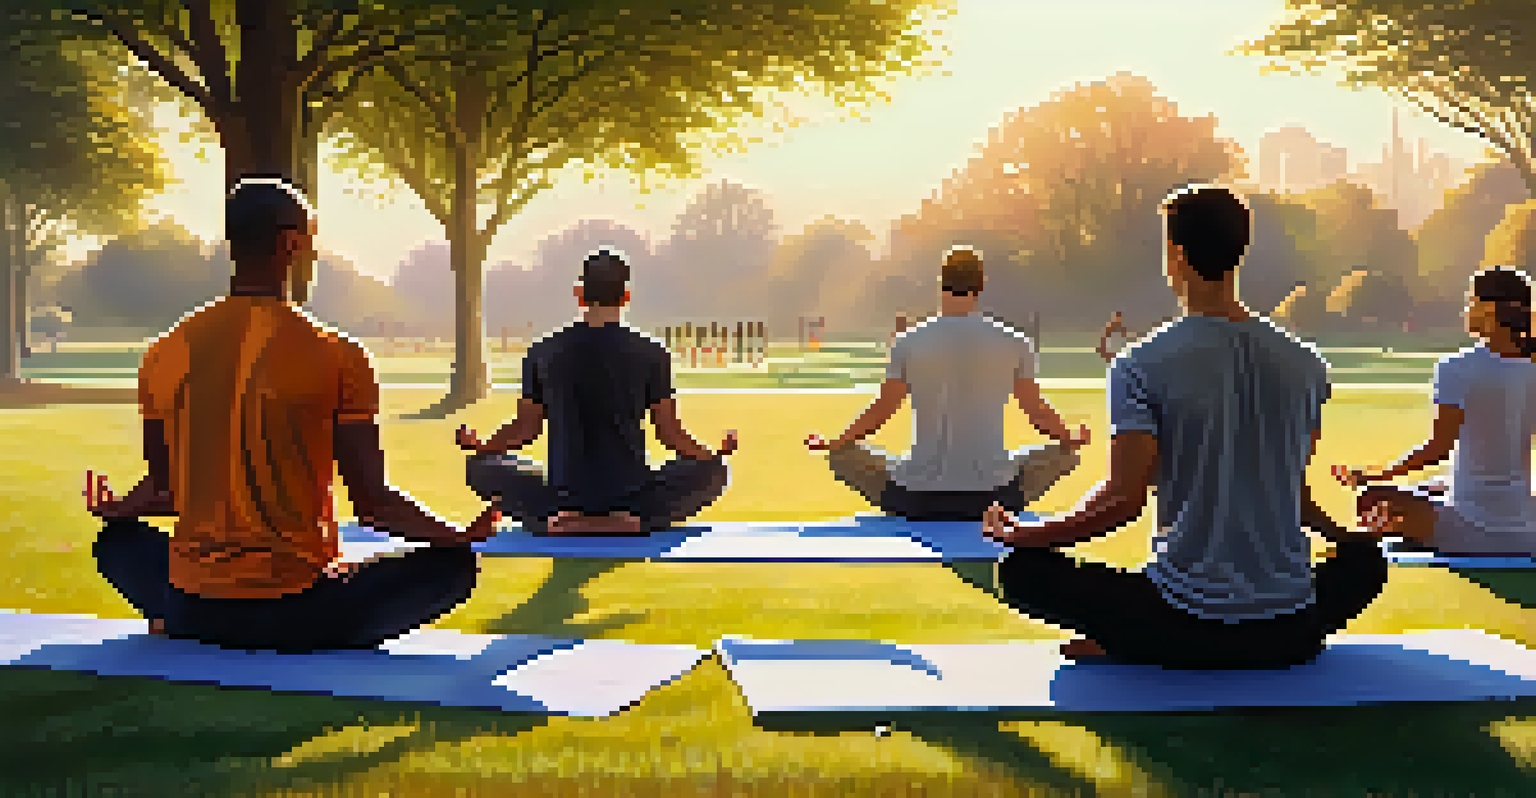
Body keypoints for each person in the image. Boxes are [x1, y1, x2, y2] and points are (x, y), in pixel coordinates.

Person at [981, 184, 1388, 670]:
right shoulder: (1307, 365)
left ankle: (1133, 638)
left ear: (1174, 253)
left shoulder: (1138, 365)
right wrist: (1349, 537)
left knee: (1022, 572)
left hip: (1183, 621)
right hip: (1291, 628)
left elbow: (1123, 500)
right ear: (1241, 251)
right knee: (1367, 564)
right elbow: (1292, 490)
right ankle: (1164, 637)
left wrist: (1032, 536)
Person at [86, 177, 501, 653]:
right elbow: (374, 504)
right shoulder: (338, 354)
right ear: (291, 244)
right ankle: (296, 625)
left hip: (191, 603)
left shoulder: (164, 352)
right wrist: (455, 534)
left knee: (116, 543)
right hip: (297, 610)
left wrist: (119, 509)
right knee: (454, 567)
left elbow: (166, 490)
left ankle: (185, 621)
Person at [460, 249, 733, 536]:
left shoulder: (543, 351)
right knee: (716, 472)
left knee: (480, 468)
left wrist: (482, 448)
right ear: (625, 297)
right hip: (631, 496)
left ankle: (557, 520)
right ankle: (630, 521)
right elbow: (671, 435)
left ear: (579, 294)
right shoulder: (652, 352)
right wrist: (712, 454)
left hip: (563, 497)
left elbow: (524, 429)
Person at [805, 246, 1089, 522]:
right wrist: (1069, 437)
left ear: (940, 283)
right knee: (1067, 455)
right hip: (995, 499)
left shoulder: (908, 341)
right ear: (980, 285)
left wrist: (837, 442)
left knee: (841, 456)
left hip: (916, 499)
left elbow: (882, 412)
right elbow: (1036, 413)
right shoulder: (1015, 342)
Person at [1334, 266, 1536, 556]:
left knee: (1371, 498)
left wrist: (1375, 475)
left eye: (1471, 301)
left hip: (1470, 530)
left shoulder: (1457, 367)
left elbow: (1437, 450)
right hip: (1527, 528)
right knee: (1435, 484)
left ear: (1489, 310)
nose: (1466, 309)